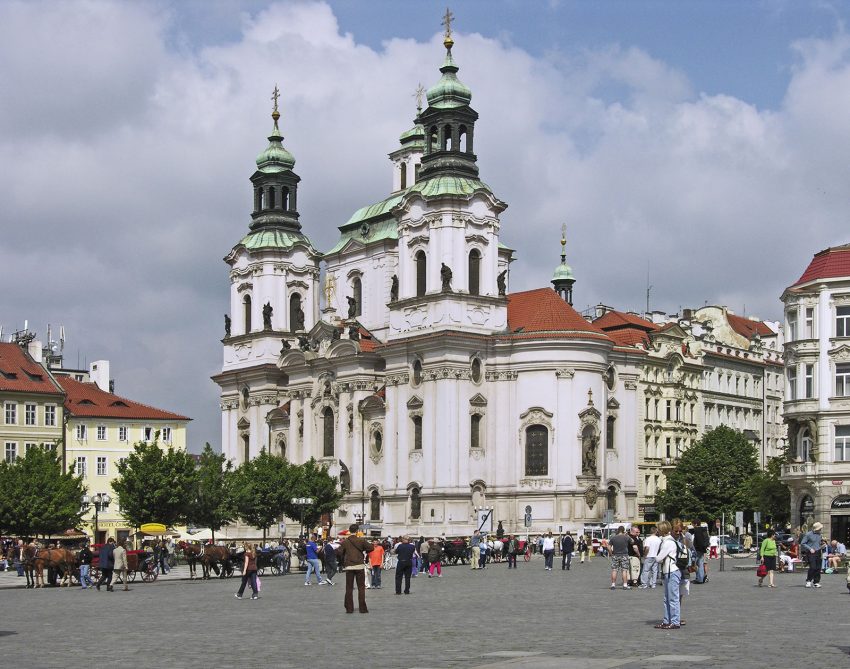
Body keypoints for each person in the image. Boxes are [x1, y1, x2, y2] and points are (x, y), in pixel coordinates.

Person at [336, 524, 374, 613]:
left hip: (349, 566)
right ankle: (363, 608)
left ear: (349, 531)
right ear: (357, 531)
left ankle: (349, 608)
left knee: (349, 588)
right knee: (361, 588)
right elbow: (371, 547)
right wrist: (364, 550)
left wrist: (343, 559)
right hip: (359, 566)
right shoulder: (361, 540)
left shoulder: (345, 541)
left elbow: (339, 552)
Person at [655, 521, 682, 630]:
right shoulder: (668, 540)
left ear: (662, 530)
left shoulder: (668, 542)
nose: (657, 531)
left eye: (658, 529)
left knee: (673, 598)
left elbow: (658, 558)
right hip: (669, 572)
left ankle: (675, 622)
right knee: (667, 598)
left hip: (672, 571)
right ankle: (667, 620)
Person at [800, 522, 824, 588]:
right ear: (816, 529)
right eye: (820, 529)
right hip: (811, 553)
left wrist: (822, 545)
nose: (820, 530)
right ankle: (808, 581)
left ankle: (816, 582)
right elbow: (803, 543)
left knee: (818, 568)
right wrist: (810, 549)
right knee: (813, 567)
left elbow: (819, 543)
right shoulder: (808, 534)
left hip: (818, 552)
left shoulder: (820, 535)